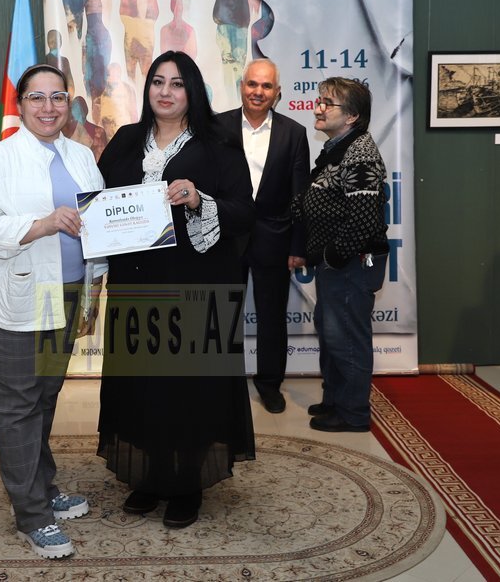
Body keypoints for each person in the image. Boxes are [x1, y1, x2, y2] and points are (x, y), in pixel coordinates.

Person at [97, 51, 256, 530]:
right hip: (135, 285)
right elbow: (101, 203)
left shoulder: (218, 144)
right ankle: (148, 476)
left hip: (193, 284)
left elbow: (244, 211)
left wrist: (199, 198)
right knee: (142, 383)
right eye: (157, 82)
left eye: (177, 83)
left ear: (193, 92)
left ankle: (187, 483)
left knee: (187, 385)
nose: (165, 92)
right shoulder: (125, 141)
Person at [0, 64, 107, 559]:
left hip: (65, 293)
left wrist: (92, 292)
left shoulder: (81, 157)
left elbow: (99, 226)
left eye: (57, 97)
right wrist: (41, 225)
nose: (48, 107)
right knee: (16, 403)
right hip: (14, 299)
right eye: (37, 97)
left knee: (44, 395)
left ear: (69, 103)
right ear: (20, 105)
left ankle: (41, 484)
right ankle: (31, 514)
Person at [292, 77, 389, 432]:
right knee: (332, 333)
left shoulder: (360, 152)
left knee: (347, 339)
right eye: (319, 101)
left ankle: (353, 414)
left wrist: (332, 256)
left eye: (327, 103)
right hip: (335, 264)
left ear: (351, 116)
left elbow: (364, 221)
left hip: (350, 265)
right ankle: (335, 399)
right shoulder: (337, 148)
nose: (318, 108)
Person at [215, 60, 310, 414]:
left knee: (272, 317)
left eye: (266, 86)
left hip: (276, 239)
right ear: (241, 86)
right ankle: (224, 385)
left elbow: (300, 195)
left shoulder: (294, 133)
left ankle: (270, 385)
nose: (258, 91)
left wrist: (298, 246)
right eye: (252, 84)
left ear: (277, 92)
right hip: (226, 237)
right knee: (224, 313)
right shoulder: (217, 127)